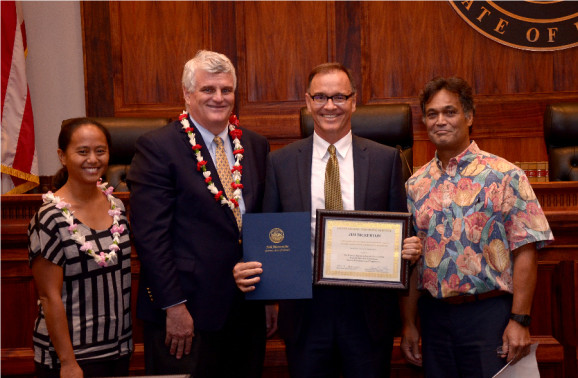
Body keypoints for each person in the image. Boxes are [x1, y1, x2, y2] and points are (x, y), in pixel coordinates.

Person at [234, 62, 422, 378]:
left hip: (367, 315)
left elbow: (403, 231)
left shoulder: (386, 160)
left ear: (353, 101)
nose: (330, 106)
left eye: (339, 97)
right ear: (307, 102)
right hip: (305, 313)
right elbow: (270, 234)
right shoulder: (279, 162)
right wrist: (265, 293)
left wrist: (409, 247)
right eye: (320, 97)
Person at [127, 50, 271, 377]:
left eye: (227, 90)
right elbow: (151, 238)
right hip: (187, 312)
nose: (219, 98)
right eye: (208, 90)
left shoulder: (255, 145)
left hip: (246, 310)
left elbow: (261, 222)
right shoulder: (157, 147)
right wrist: (174, 306)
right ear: (187, 94)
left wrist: (271, 294)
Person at [401, 77, 554, 378]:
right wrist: (408, 323)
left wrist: (520, 319)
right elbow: (410, 262)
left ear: (469, 117)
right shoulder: (415, 185)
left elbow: (525, 250)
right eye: (432, 114)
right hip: (434, 318)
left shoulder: (505, 175)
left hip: (489, 316)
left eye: (450, 112)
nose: (440, 121)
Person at [28, 118, 133, 377]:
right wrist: (68, 362)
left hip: (118, 348)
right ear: (63, 156)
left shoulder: (116, 207)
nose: (93, 159)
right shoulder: (50, 218)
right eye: (82, 152)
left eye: (100, 151)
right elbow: (48, 296)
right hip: (72, 357)